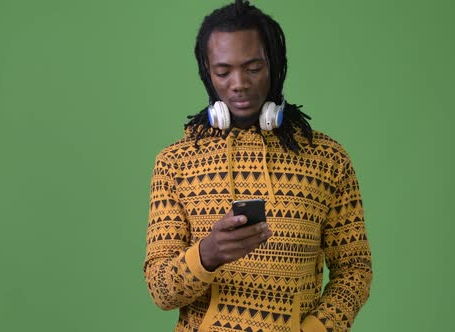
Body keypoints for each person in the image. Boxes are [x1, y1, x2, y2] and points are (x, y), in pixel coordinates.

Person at [144, 1, 372, 331]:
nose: (239, 83)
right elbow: (160, 290)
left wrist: (316, 330)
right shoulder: (175, 163)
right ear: (207, 72)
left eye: (253, 68)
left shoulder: (328, 159)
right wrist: (207, 253)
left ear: (275, 66)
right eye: (223, 72)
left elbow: (355, 269)